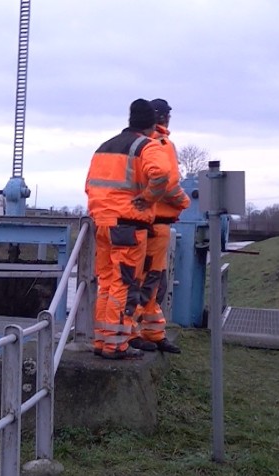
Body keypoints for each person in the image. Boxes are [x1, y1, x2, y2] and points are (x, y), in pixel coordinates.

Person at [85, 99, 174, 359]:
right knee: (125, 284)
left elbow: (89, 185)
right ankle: (116, 345)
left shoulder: (104, 147)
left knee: (107, 282)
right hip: (128, 226)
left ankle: (102, 341)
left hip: (102, 224)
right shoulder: (146, 145)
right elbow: (161, 176)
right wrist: (147, 198)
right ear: (151, 124)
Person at [129, 98, 190, 354]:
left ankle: (151, 332)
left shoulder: (137, 143)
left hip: (148, 224)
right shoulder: (159, 145)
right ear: (163, 117)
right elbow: (167, 183)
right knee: (146, 283)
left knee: (150, 283)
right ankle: (133, 333)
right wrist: (184, 201)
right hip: (154, 224)